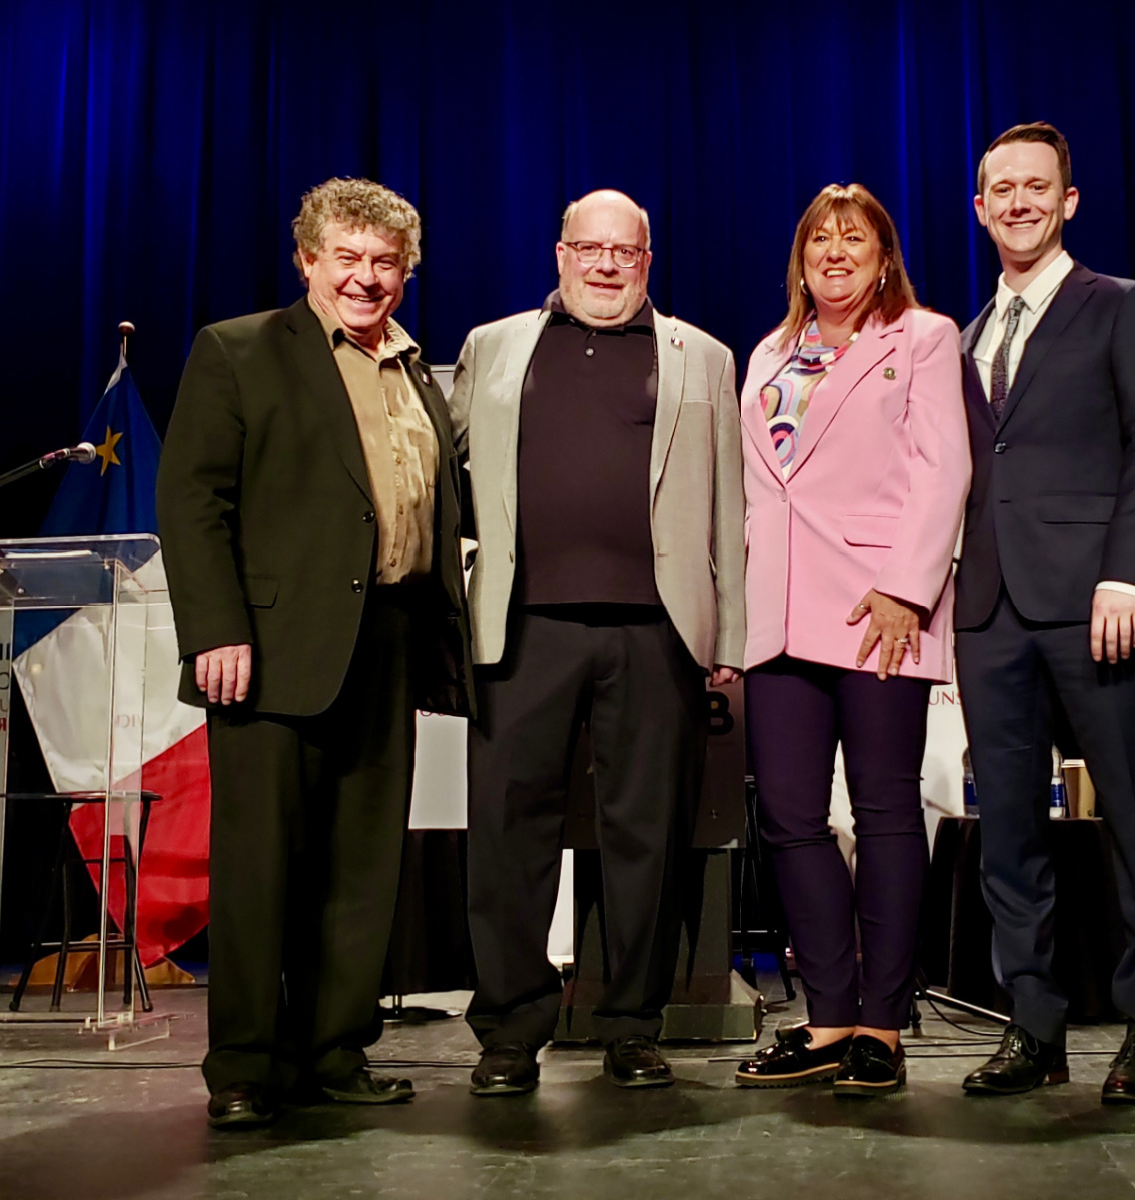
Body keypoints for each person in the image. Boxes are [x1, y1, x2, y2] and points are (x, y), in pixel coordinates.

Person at [157, 178, 471, 1128]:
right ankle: (246, 1065)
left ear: (405, 273)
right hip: (265, 649)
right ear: (307, 261)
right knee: (261, 866)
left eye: (386, 263)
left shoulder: (419, 373)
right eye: (348, 259)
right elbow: (192, 499)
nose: (367, 278)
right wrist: (216, 628)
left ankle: (333, 1051)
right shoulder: (240, 349)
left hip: (388, 640)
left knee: (362, 864)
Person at [449, 189, 744, 1094]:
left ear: (648, 261)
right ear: (561, 253)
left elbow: (730, 504)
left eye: (627, 251)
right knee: (508, 835)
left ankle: (631, 1024)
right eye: (591, 248)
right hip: (523, 624)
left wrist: (727, 633)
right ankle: (509, 1032)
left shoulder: (705, 357)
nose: (607, 264)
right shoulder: (492, 346)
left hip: (658, 630)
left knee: (646, 835)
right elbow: (444, 472)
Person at [953, 123, 1135, 1104]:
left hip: (1099, 604)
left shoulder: (1120, 307)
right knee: (1007, 833)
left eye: (1034, 186)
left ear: (1068, 200)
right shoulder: (961, 336)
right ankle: (1034, 1027)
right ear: (979, 206)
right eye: (999, 188)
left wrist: (1126, 572)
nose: (1017, 201)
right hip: (988, 612)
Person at [733, 184, 969, 1096]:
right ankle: (828, 1016)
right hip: (779, 613)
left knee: (882, 810)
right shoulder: (768, 351)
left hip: (880, 608)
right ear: (799, 258)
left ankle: (884, 1021)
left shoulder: (922, 336)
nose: (835, 252)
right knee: (789, 818)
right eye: (820, 239)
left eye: (855, 239)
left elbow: (944, 466)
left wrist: (909, 588)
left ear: (883, 257)